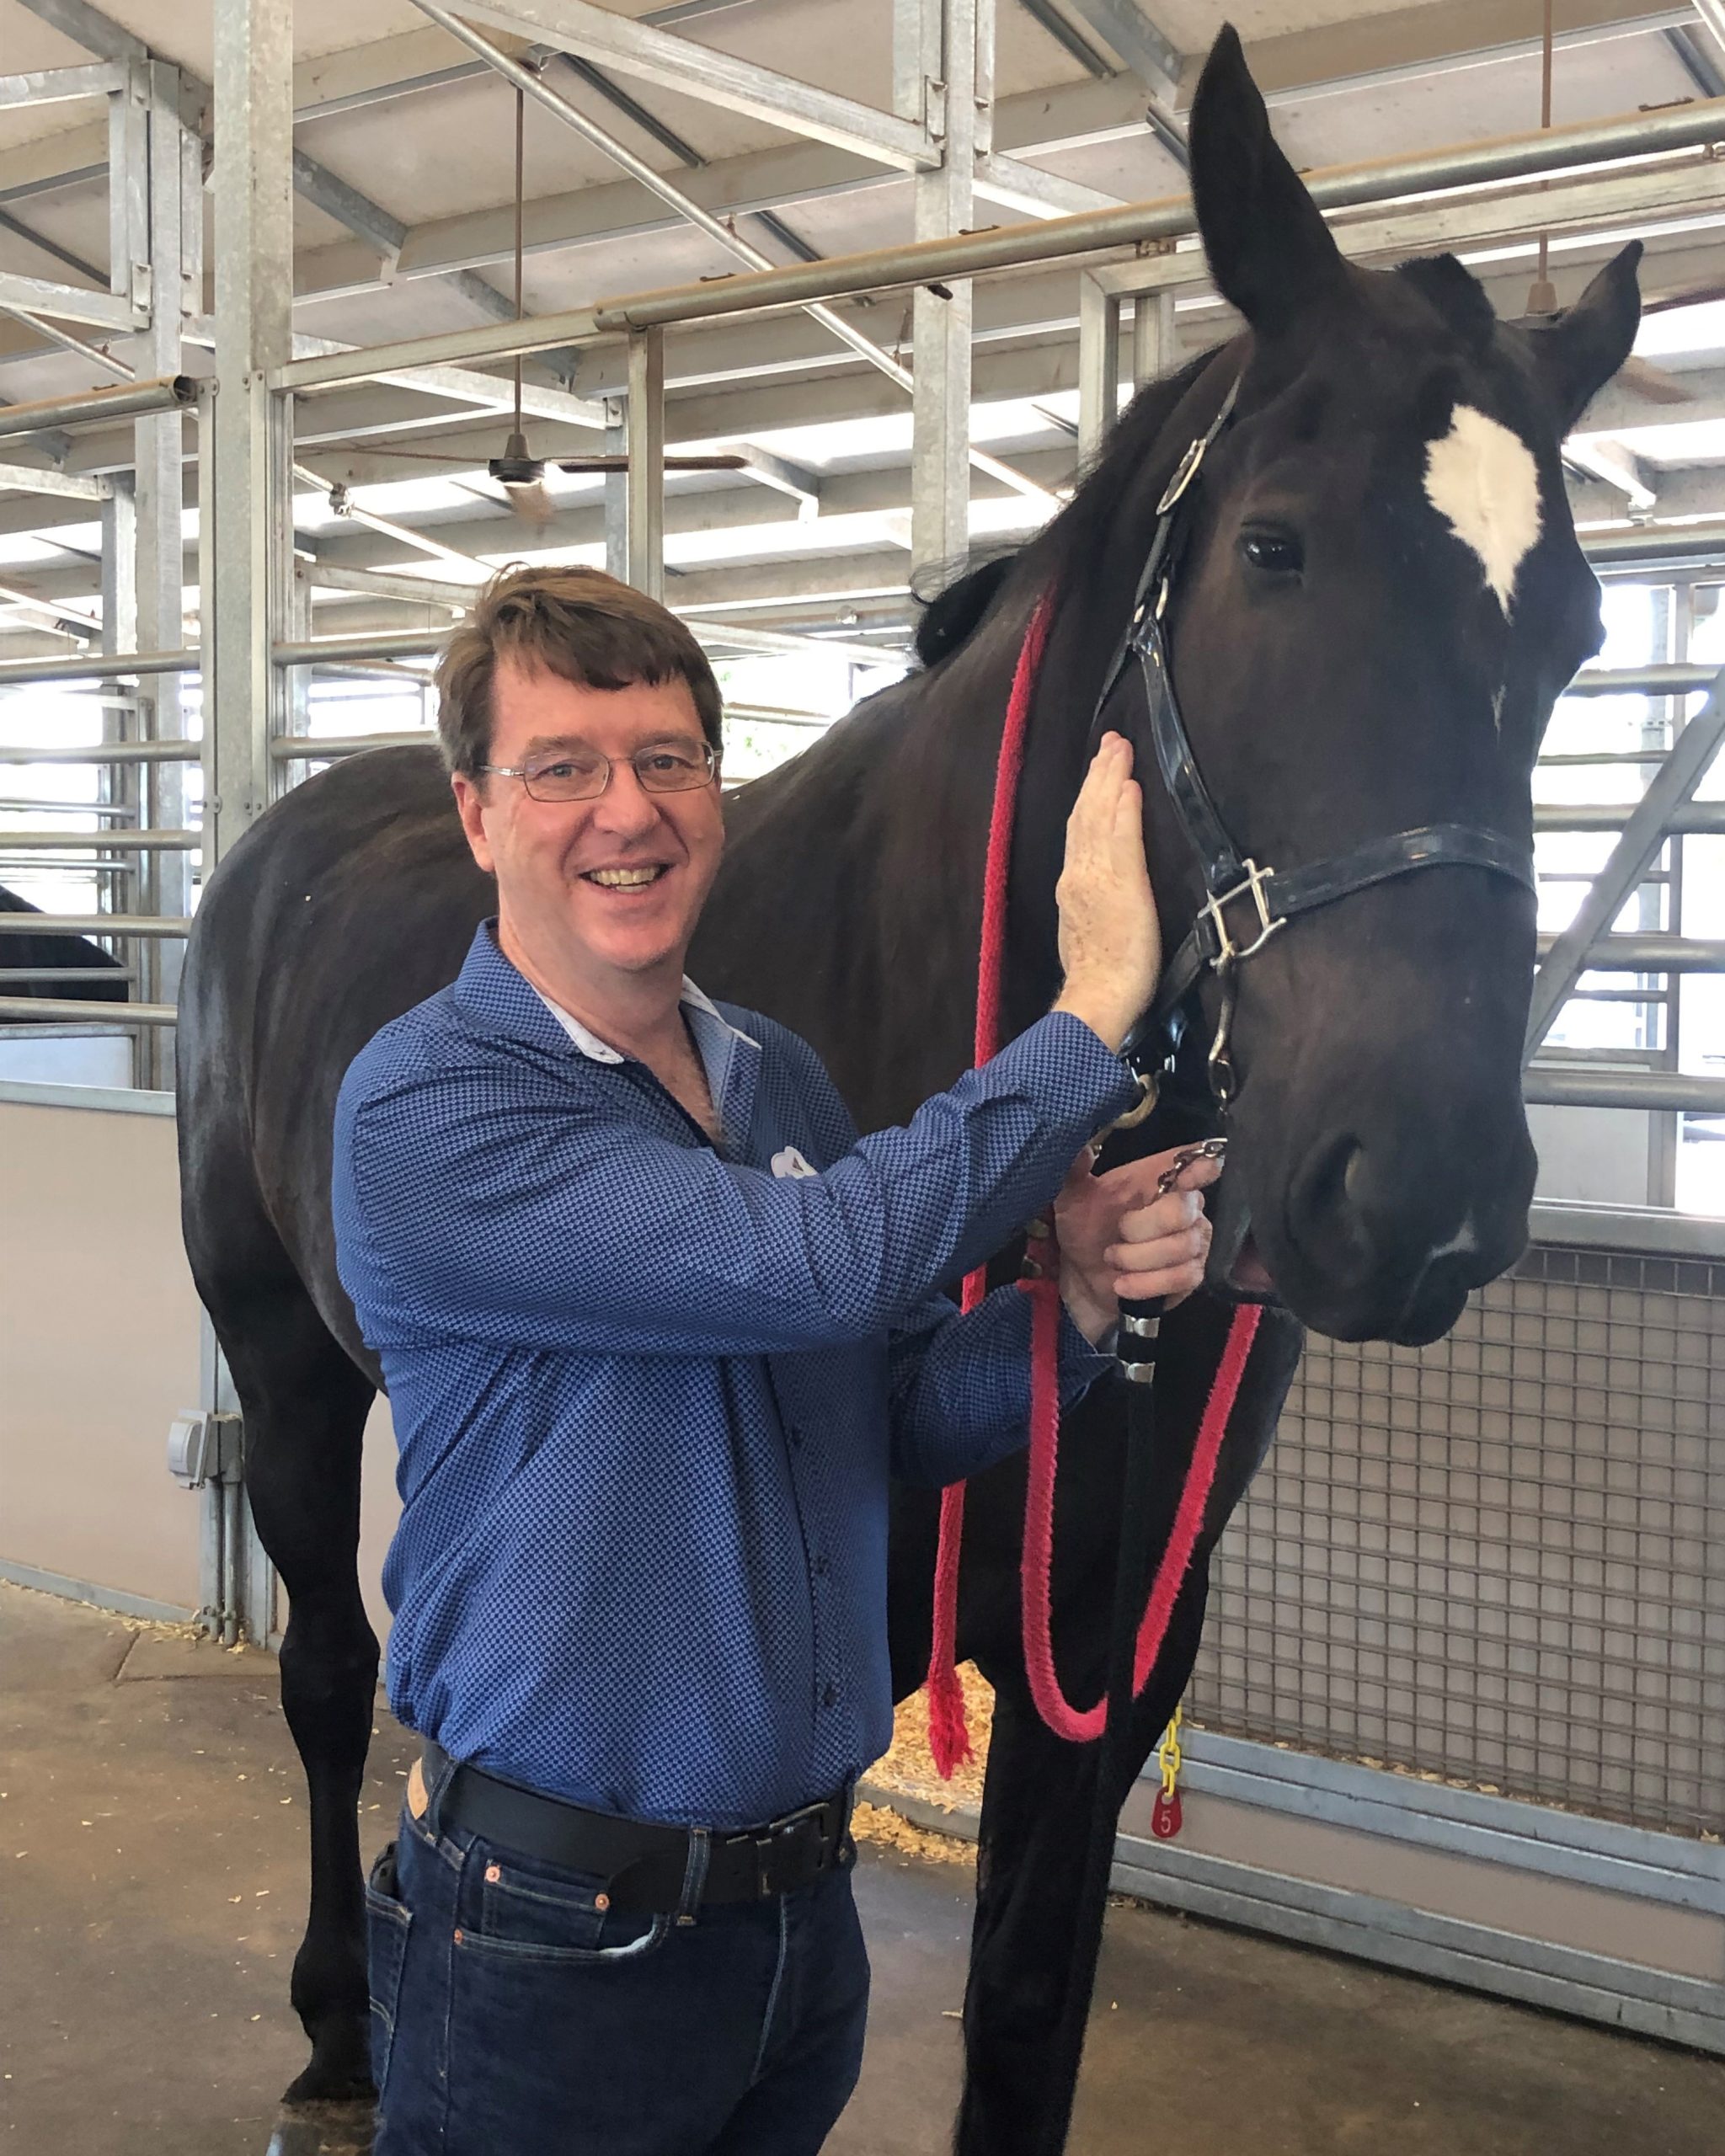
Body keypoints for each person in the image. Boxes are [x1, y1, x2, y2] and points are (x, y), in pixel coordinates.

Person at [331, 563, 1216, 2156]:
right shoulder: (434, 1104)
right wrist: (1092, 1010)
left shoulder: (777, 1080)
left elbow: (895, 1411)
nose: (628, 811)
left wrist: (1072, 1299)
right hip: (555, 1932)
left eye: (668, 759)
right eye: (563, 768)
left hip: (798, 1916)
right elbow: (819, 1263)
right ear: (478, 814)